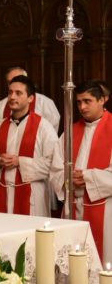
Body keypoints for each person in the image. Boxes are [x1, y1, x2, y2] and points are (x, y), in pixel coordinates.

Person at [50, 80, 112, 263]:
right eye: (79, 102)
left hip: (106, 209)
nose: (82, 107)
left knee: (104, 259)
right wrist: (67, 178)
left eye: (87, 101)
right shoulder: (70, 131)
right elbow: (55, 167)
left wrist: (88, 178)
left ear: (102, 100)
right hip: (74, 206)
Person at [0, 75, 58, 217]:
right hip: (3, 191)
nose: (12, 97)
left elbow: (53, 163)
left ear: (30, 98)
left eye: (18, 93)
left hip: (32, 194)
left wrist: (20, 162)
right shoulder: (0, 127)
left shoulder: (44, 127)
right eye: (10, 92)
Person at [0, 67, 60, 137]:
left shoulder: (45, 102)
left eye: (19, 80)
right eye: (10, 82)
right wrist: (9, 127)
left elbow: (51, 131)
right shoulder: (1, 105)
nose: (14, 84)